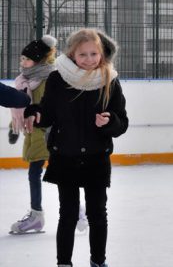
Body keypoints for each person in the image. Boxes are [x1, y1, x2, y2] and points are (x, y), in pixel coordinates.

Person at [25, 28, 129, 267]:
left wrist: (110, 121)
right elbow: (48, 114)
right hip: (65, 156)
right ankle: (64, 263)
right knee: (68, 214)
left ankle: (98, 261)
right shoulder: (57, 78)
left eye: (94, 54)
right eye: (83, 54)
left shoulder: (109, 80)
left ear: (102, 54)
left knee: (97, 214)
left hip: (96, 158)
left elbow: (122, 122)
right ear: (72, 54)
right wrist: (35, 114)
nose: (90, 59)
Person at [8, 35, 57, 234]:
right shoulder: (25, 80)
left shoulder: (47, 80)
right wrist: (14, 127)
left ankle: (38, 215)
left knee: (40, 174)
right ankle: (74, 211)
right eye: (21, 59)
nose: (22, 62)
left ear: (39, 60)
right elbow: (22, 107)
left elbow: (48, 108)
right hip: (33, 134)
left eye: (26, 59)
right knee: (52, 174)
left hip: (46, 135)